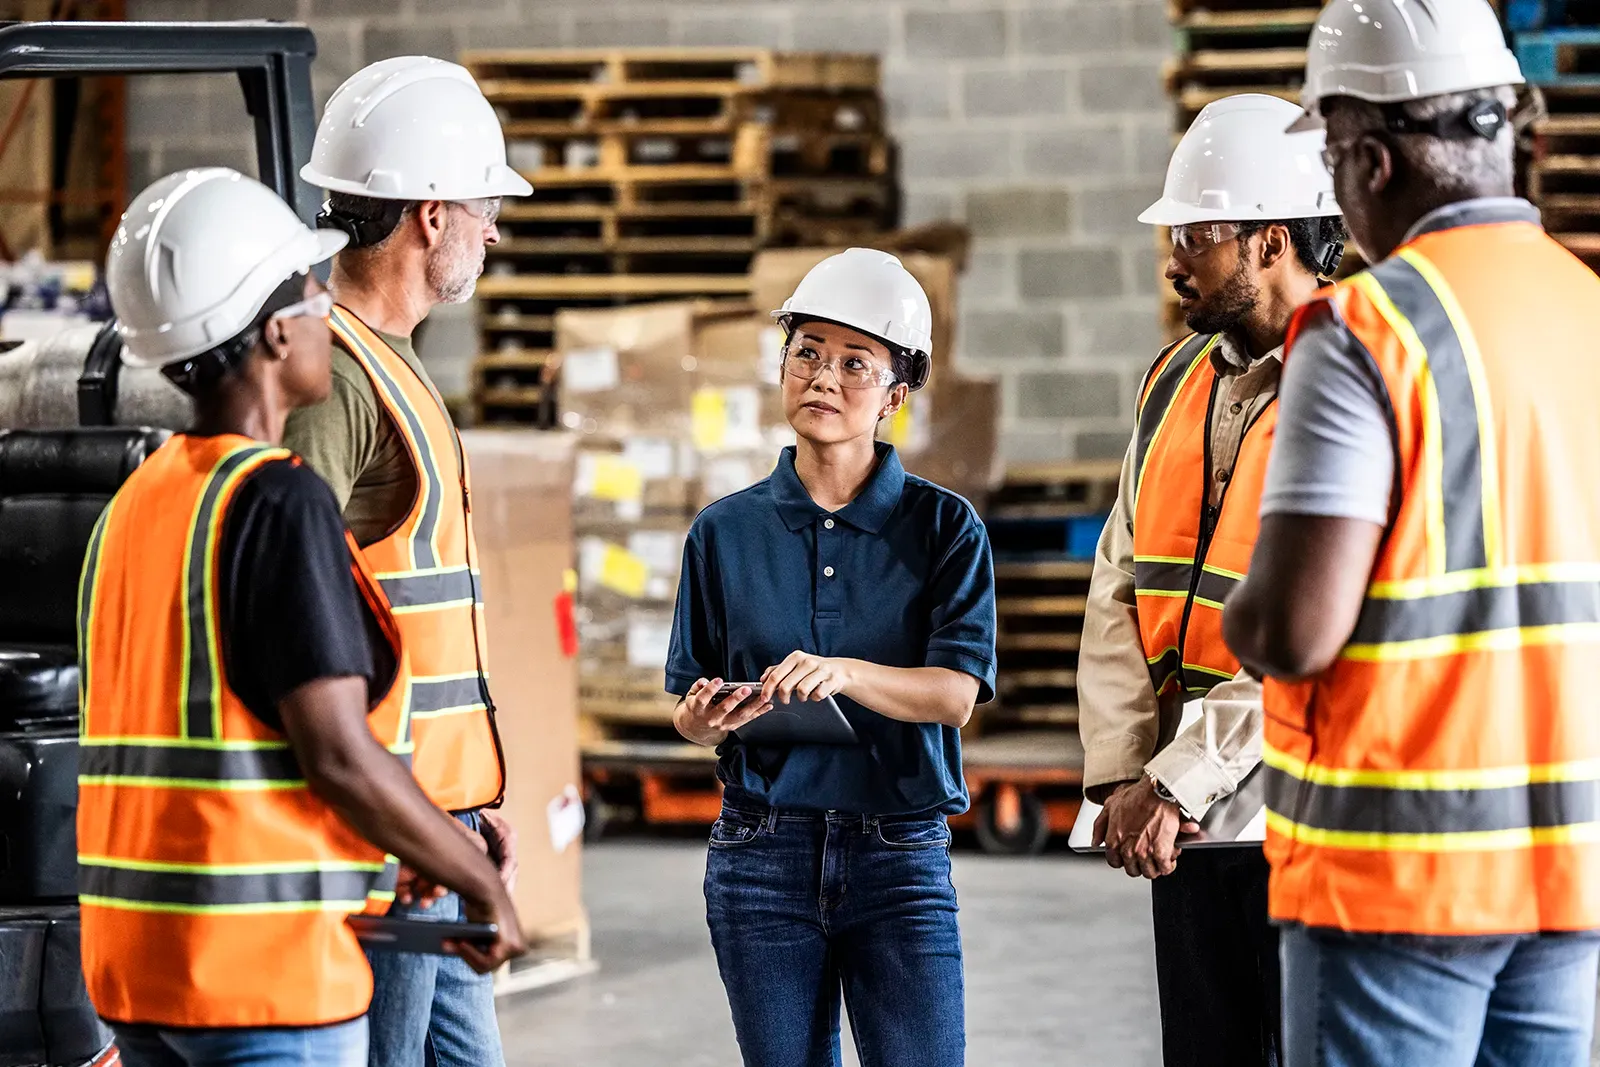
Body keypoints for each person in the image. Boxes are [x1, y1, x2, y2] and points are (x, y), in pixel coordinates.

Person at [1219, 2, 1600, 1064]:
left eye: (1333, 162)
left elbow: (1293, 629)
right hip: (1568, 863)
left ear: (1372, 159)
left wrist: (1239, 608)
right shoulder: (1585, 308)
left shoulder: (1363, 331)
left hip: (1400, 874)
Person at [76, 167, 524, 1067]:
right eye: (317, 291)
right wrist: (474, 874)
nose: (333, 307)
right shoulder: (276, 501)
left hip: (138, 971)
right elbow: (337, 753)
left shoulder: (134, 502)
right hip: (261, 973)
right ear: (278, 332)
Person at [665, 248, 996, 1067]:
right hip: (760, 851)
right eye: (807, 351)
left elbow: (955, 695)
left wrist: (842, 670)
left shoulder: (945, 529)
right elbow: (685, 707)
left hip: (899, 852)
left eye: (856, 362)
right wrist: (703, 721)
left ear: (897, 394)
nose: (823, 376)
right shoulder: (722, 531)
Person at [1077, 93, 1345, 1067]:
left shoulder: (1355, 378)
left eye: (1196, 232)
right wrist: (1122, 773)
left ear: (1270, 240)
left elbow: (1329, 617)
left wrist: (1177, 781)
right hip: (1183, 821)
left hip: (1304, 802)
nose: (1173, 255)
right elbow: (1119, 575)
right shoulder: (1172, 379)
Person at [284, 55, 533, 1067]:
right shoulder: (335, 376)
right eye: (483, 206)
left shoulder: (391, 359)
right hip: (387, 837)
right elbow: (287, 604)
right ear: (431, 213)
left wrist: (469, 800)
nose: (493, 229)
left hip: (435, 819)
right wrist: (417, 821)